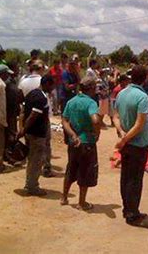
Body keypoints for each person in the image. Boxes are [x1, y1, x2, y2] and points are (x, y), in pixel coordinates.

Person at [112, 65, 148, 226]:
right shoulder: (142, 97)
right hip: (137, 144)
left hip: (127, 143)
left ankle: (127, 208)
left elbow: (115, 116)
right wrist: (125, 139)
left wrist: (121, 134)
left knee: (125, 177)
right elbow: (139, 124)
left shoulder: (121, 93)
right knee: (135, 180)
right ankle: (132, 214)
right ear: (145, 78)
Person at [60, 76, 101, 210]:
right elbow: (95, 120)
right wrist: (97, 133)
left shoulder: (71, 102)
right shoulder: (91, 103)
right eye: (95, 87)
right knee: (85, 171)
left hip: (74, 141)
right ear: (90, 88)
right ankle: (81, 202)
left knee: (71, 168)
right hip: (87, 141)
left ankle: (64, 197)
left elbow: (64, 120)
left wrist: (72, 134)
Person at [18, 75, 55, 196]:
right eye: (52, 85)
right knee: (36, 161)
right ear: (47, 84)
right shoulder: (41, 98)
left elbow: (23, 112)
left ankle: (30, 183)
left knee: (32, 159)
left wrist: (22, 129)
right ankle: (32, 187)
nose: (53, 88)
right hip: (37, 134)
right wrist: (24, 129)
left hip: (30, 133)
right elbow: (33, 115)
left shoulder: (31, 93)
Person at [5, 62, 21, 144]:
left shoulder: (13, 81)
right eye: (17, 69)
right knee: (10, 132)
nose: (18, 71)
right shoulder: (8, 82)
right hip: (9, 111)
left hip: (13, 111)